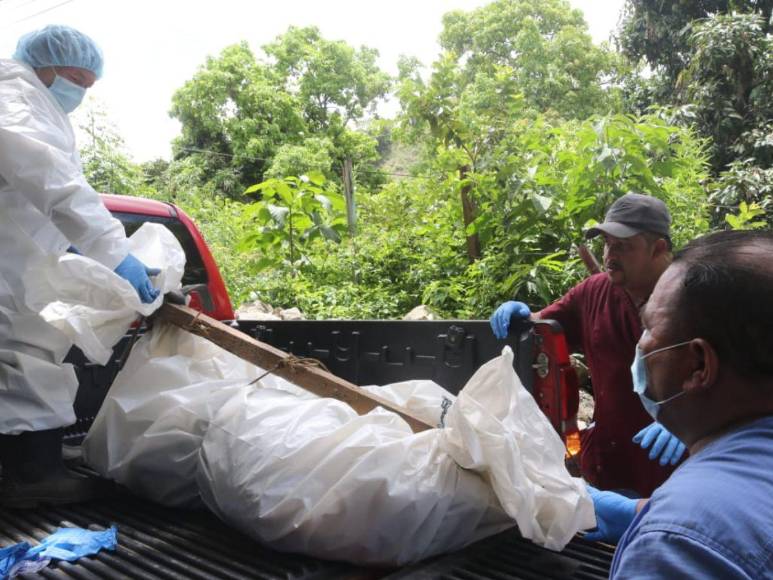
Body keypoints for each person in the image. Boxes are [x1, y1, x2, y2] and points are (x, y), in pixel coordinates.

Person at [0, 25, 160, 507]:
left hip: (19, 262)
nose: (81, 93)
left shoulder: (31, 102)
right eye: (76, 80)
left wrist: (71, 248)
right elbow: (54, 182)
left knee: (27, 356)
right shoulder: (14, 101)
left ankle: (34, 462)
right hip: (10, 271)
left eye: (89, 85)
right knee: (26, 357)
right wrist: (114, 252)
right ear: (43, 66)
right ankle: (33, 475)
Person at [590, 230, 773, 578]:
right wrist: (639, 512)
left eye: (648, 329)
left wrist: (668, 527)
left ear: (698, 365)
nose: (641, 347)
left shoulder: (675, 549)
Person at [490, 194, 684, 497]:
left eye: (623, 246)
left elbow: (738, 376)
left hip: (674, 467)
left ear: (658, 248)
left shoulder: (693, 295)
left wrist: (691, 423)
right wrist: (522, 317)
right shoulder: (595, 291)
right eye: (607, 244)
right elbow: (544, 328)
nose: (609, 255)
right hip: (610, 462)